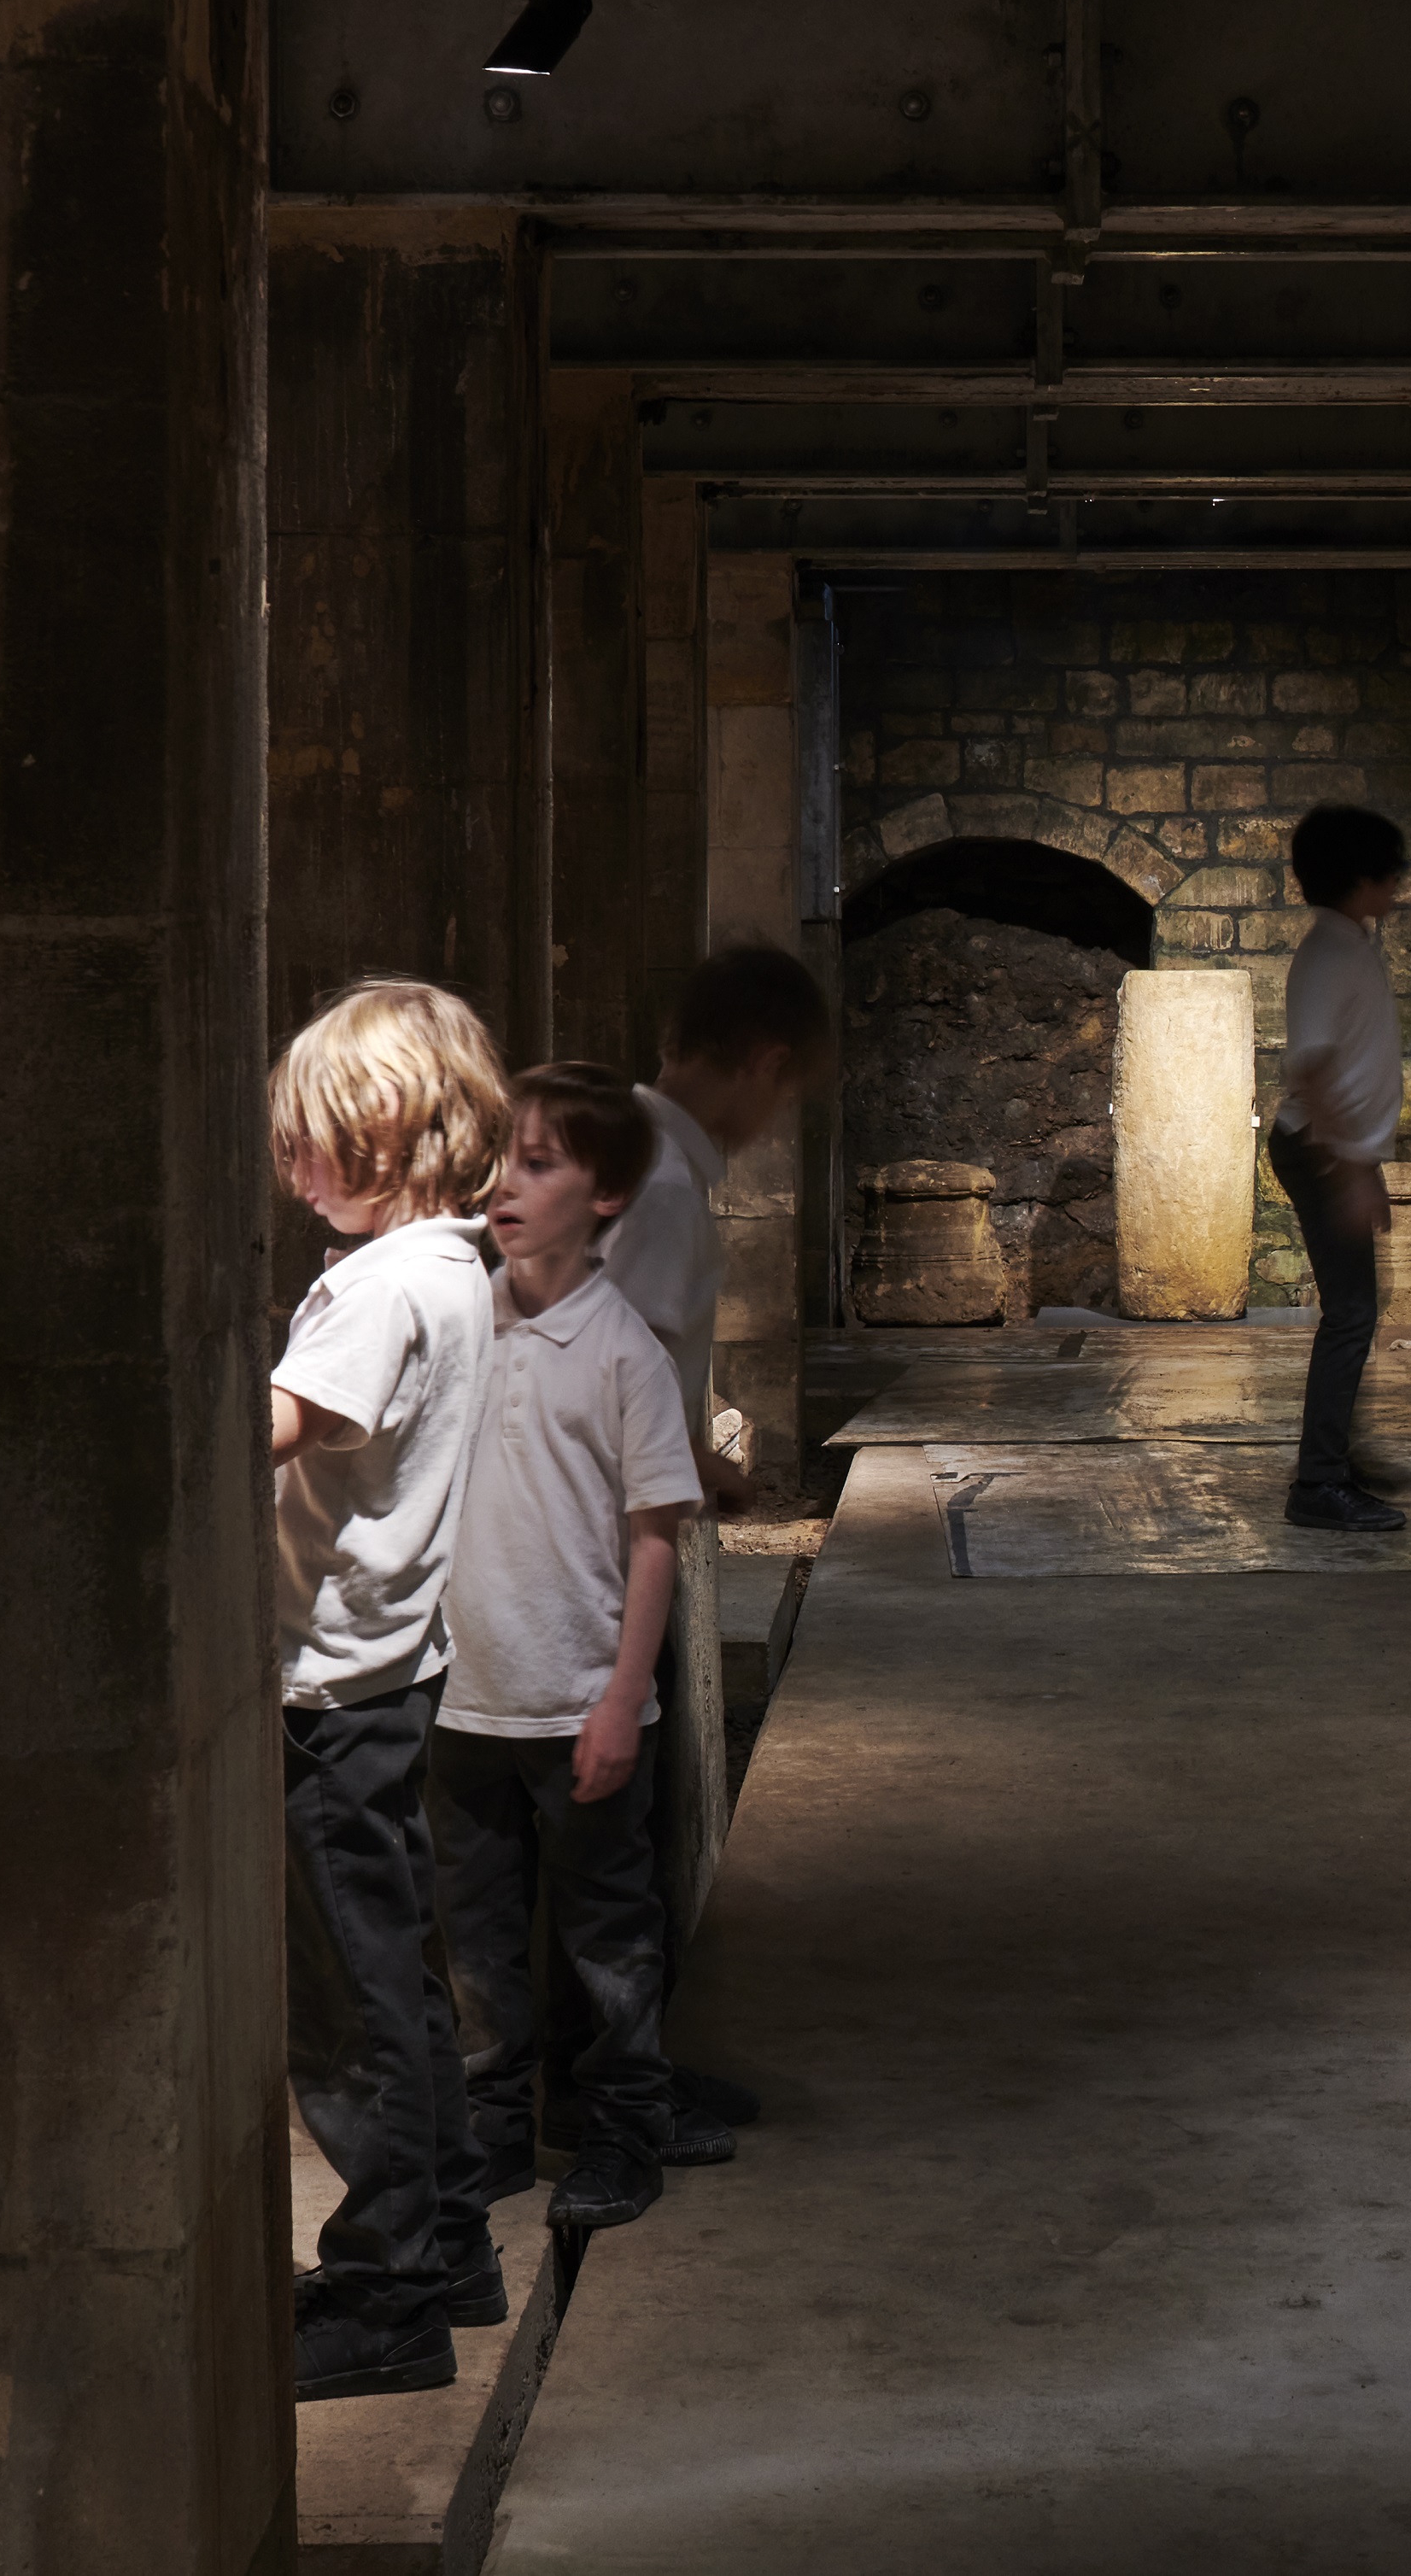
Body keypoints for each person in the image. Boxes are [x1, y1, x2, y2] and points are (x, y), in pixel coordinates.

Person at [266, 979, 510, 2402]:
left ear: (401, 1133)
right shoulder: (453, 1267)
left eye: (314, 1138)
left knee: (353, 2010)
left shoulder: (385, 1285)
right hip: (383, 1671)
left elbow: (276, 1422)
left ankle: (391, 2291)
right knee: (398, 1980)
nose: (293, 1162)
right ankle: (454, 2241)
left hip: (327, 1686)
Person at [433, 1064, 706, 2245]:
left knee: (606, 1940)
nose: (506, 1183)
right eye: (502, 1157)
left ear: (606, 1195)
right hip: (464, 1702)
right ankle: (492, 2134)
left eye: (540, 1163)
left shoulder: (620, 1349)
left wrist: (621, 1698)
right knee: (477, 1946)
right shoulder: (454, 1320)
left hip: (578, 1697)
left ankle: (622, 2132)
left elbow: (656, 1540)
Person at [599, 940, 832, 2157]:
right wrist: (689, 1463)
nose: (772, 1119)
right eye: (782, 1095)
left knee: (632, 1836)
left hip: (629, 1529)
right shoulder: (661, 1181)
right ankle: (613, 2087)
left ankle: (635, 2065)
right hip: (596, 1553)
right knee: (611, 1846)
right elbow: (610, 1363)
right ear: (760, 1062)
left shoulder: (652, 1164)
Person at [1267, 804, 1411, 1531]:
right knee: (1351, 1313)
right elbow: (1315, 1066)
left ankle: (1338, 1455)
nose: (1397, 887)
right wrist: (1350, 1171)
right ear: (1362, 877)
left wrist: (1364, 1163)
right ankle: (1318, 1481)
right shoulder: (1330, 951)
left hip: (1338, 1147)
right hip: (1323, 1147)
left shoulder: (1347, 942)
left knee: (1359, 1307)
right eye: (1390, 874)